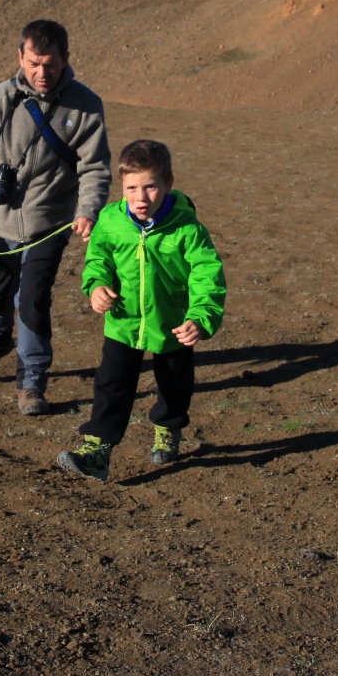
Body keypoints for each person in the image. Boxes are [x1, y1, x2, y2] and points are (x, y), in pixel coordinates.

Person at [0, 19, 111, 416]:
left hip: (49, 225)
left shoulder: (86, 105)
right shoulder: (0, 99)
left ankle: (31, 379)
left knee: (33, 299)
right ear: (20, 57)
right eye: (34, 62)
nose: (41, 72)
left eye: (50, 63)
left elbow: (96, 167)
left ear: (66, 59)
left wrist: (88, 209)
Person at [57, 139, 226, 481]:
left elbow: (207, 275)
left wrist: (200, 317)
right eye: (131, 188)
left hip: (173, 323)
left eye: (150, 187)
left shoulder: (187, 229)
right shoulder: (110, 219)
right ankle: (97, 450)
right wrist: (96, 286)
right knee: (111, 383)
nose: (140, 197)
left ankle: (168, 426)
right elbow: (98, 259)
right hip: (123, 321)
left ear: (168, 184)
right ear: (121, 186)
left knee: (174, 382)